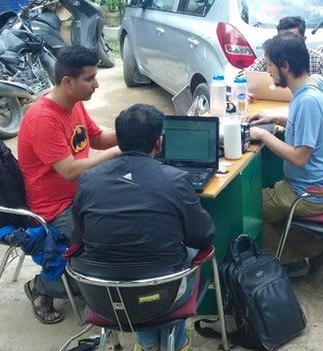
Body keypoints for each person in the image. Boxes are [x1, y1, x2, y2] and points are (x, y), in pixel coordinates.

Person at [72, 104, 215, 351]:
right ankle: (176, 343)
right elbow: (203, 236)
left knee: (142, 271)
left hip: (103, 297)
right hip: (162, 295)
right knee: (186, 257)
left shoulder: (88, 179)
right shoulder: (175, 180)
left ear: (120, 139)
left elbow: (78, 238)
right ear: (158, 143)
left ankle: (147, 344)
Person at [18, 45, 119, 324]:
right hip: (54, 206)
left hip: (82, 192)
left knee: (127, 219)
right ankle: (42, 288)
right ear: (67, 82)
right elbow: (69, 170)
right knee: (99, 240)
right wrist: (118, 152)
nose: (96, 84)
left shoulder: (74, 106)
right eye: (89, 78)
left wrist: (135, 129)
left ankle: (93, 285)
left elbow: (96, 138)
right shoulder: (43, 118)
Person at [248, 33, 323, 278]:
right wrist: (275, 118)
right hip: (320, 181)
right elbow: (307, 124)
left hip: (307, 191)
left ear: (285, 65)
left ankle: (291, 261)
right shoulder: (316, 83)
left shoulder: (307, 100)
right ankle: (317, 247)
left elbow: (299, 158)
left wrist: (264, 135)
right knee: (266, 198)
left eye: (270, 65)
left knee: (248, 209)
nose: (268, 71)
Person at [247, 16, 323, 99]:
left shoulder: (318, 58)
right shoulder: (272, 56)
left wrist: (307, 88)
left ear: (303, 40)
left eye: (292, 38)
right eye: (283, 39)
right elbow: (243, 77)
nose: (287, 43)